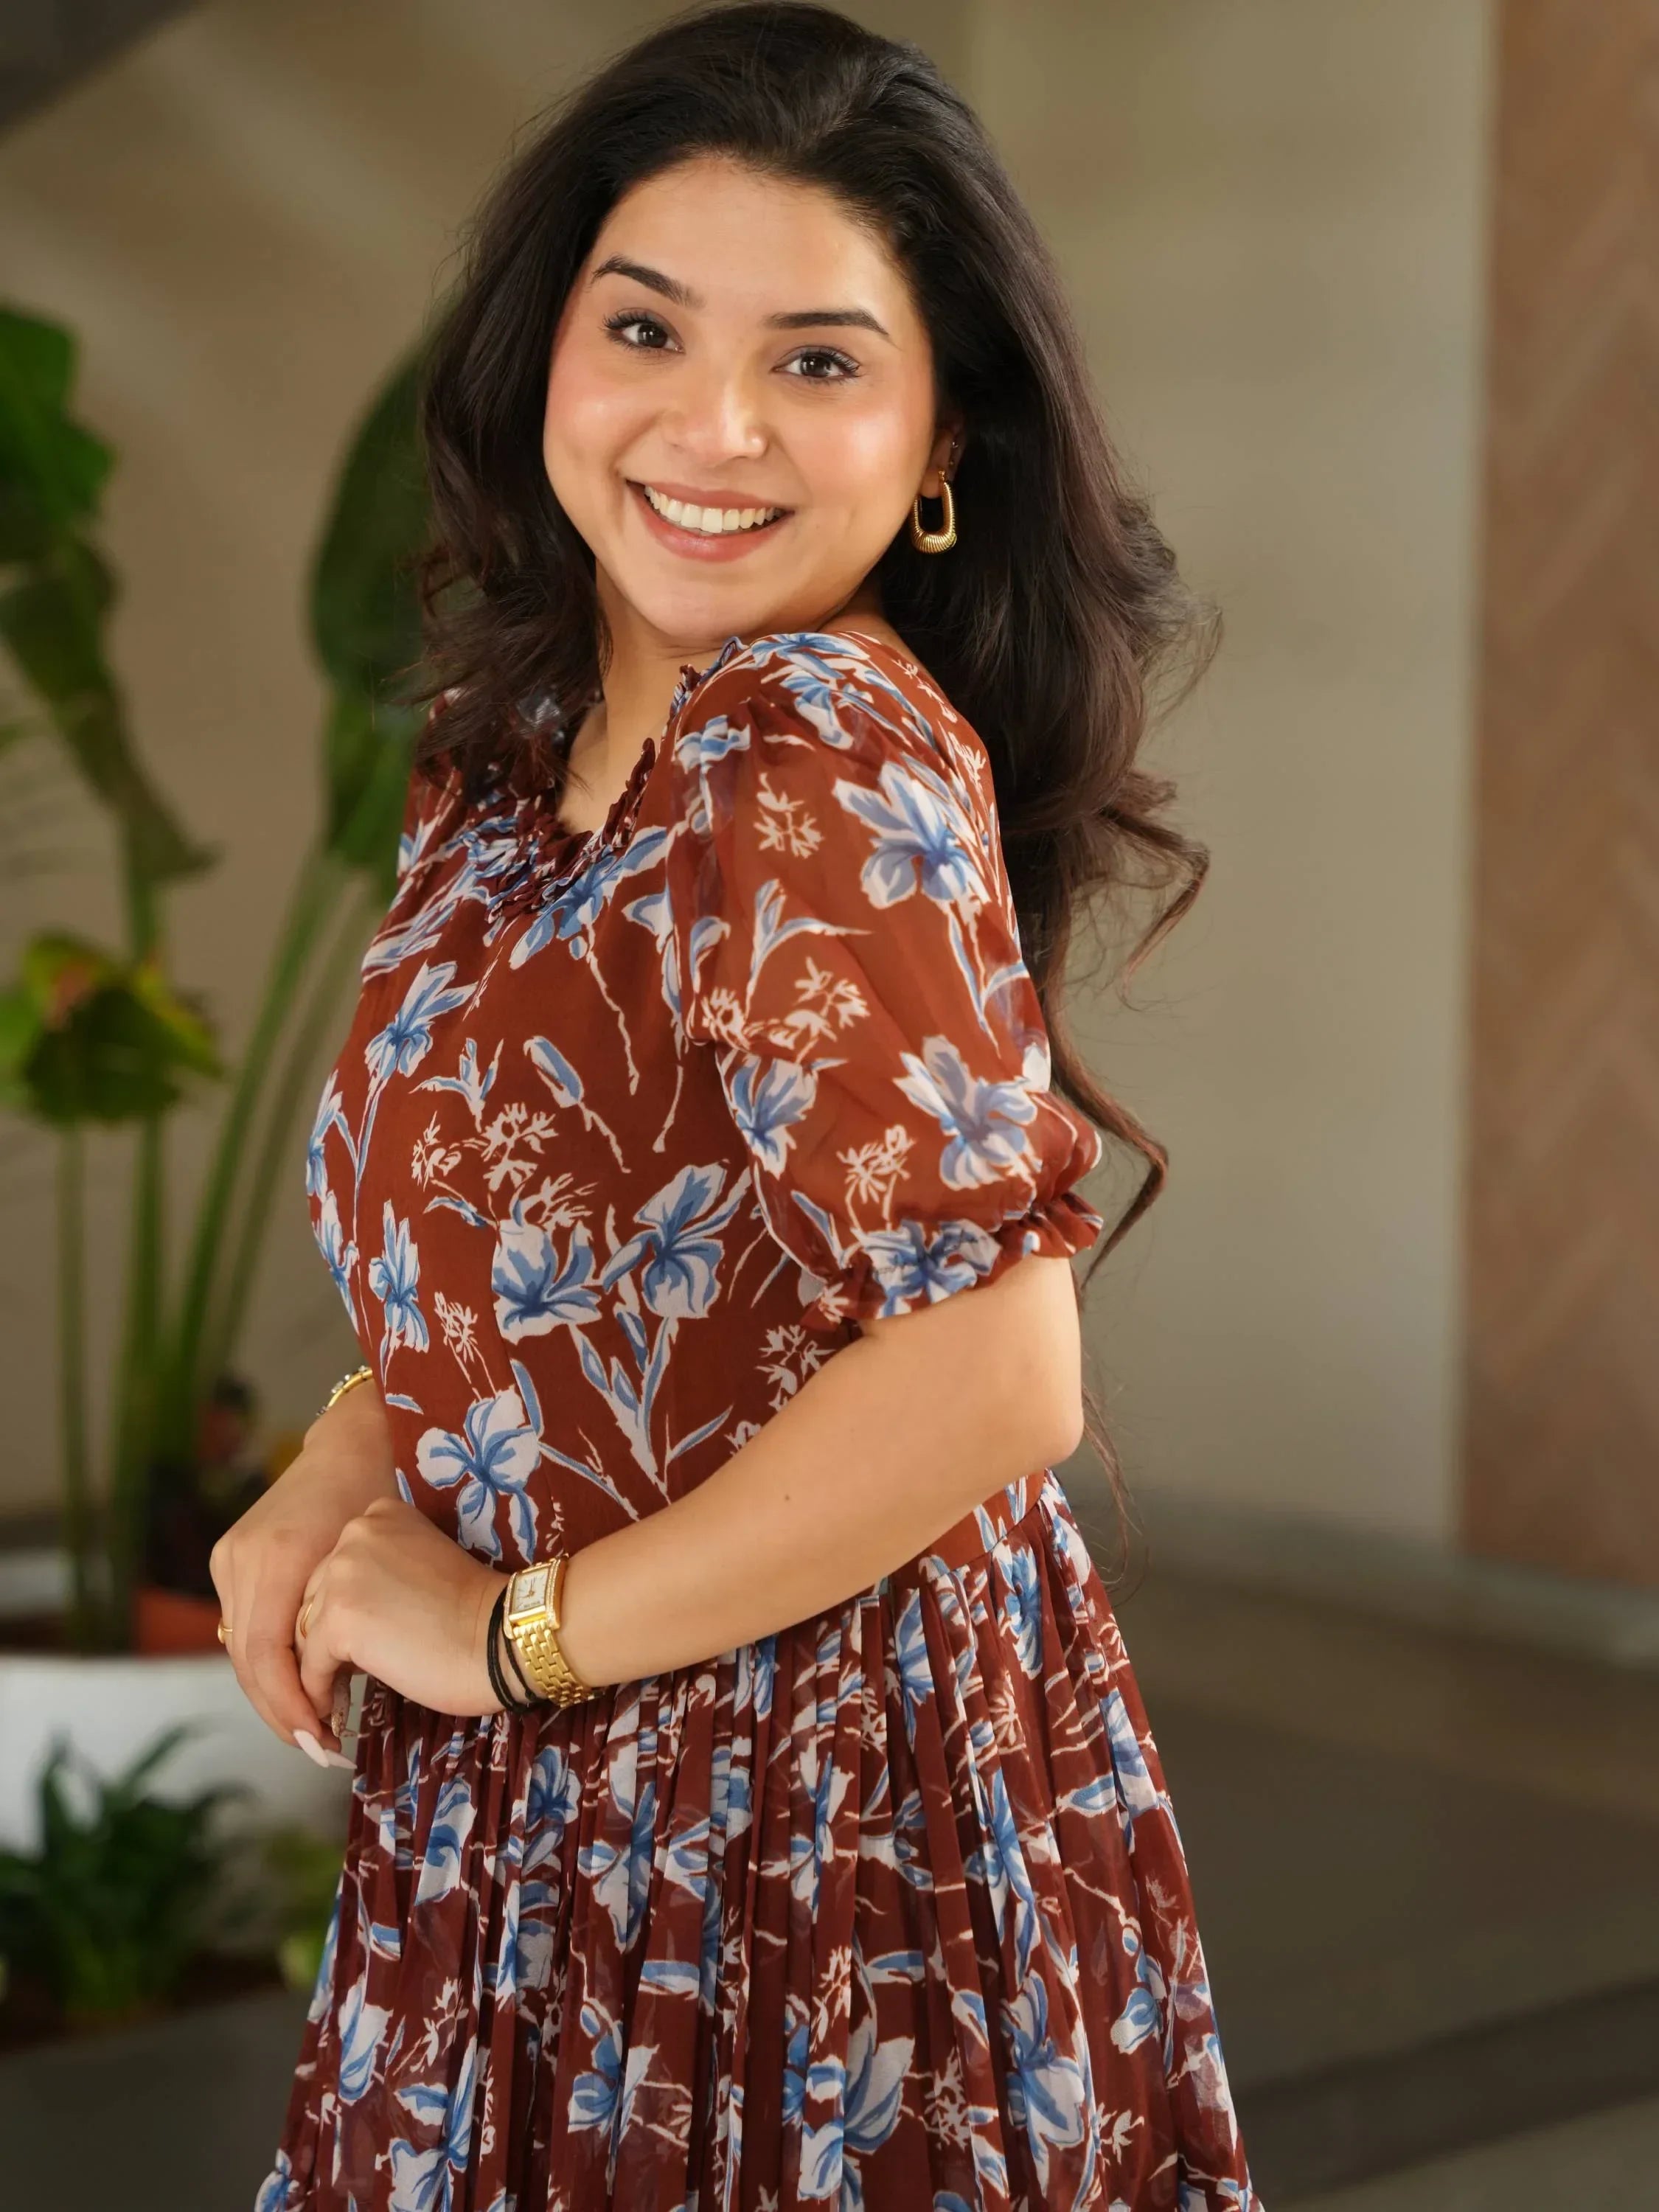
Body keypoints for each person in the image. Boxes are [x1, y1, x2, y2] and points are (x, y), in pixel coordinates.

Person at [220, 7, 1261, 2206]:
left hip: (794, 1805)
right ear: (545, 357)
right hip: (553, 1794)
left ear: (936, 433)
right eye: (646, 328)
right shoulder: (507, 759)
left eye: (815, 360)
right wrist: (342, 1460)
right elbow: (540, 1240)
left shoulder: (802, 737)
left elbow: (995, 1368)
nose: (713, 429)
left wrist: (501, 1641)